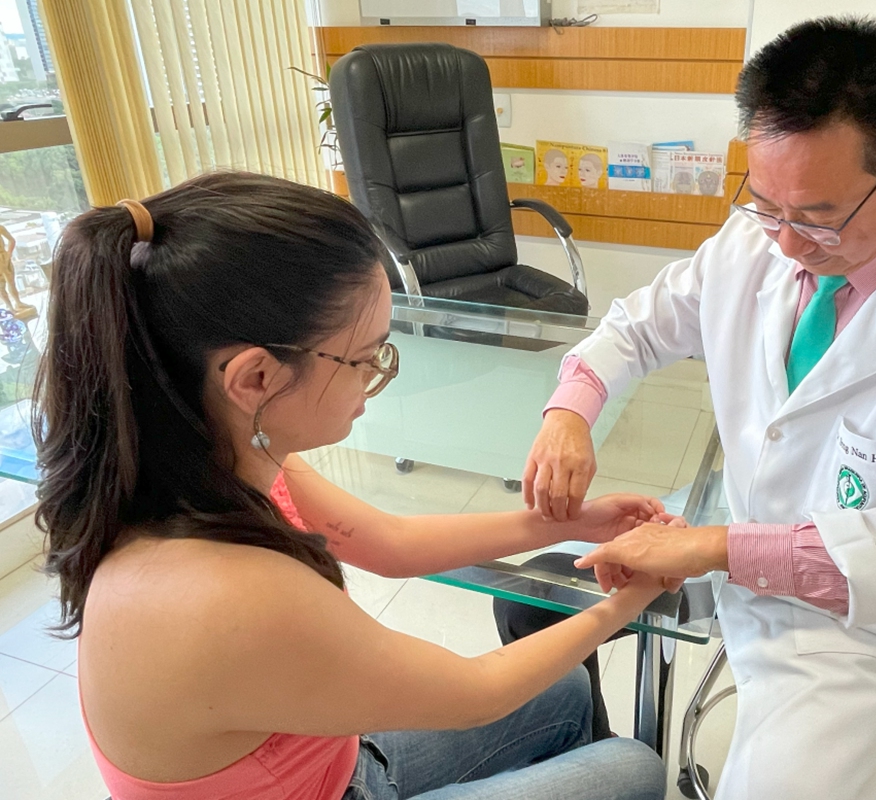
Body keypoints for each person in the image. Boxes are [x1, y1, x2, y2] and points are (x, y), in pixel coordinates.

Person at [510, 16, 876, 800]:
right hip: (726, 549)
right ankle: (608, 760)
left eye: (818, 215)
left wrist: (718, 549)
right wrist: (570, 410)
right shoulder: (755, 242)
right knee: (532, 598)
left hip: (855, 629)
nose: (785, 242)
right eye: (765, 203)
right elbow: (638, 325)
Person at [34, 172, 671, 800]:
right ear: (255, 378)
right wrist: (627, 599)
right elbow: (477, 692)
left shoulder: (217, 462)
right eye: (364, 358)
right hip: (338, 783)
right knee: (635, 768)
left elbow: (390, 542)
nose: (377, 376)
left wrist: (570, 521)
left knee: (567, 693)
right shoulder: (224, 595)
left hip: (332, 765)